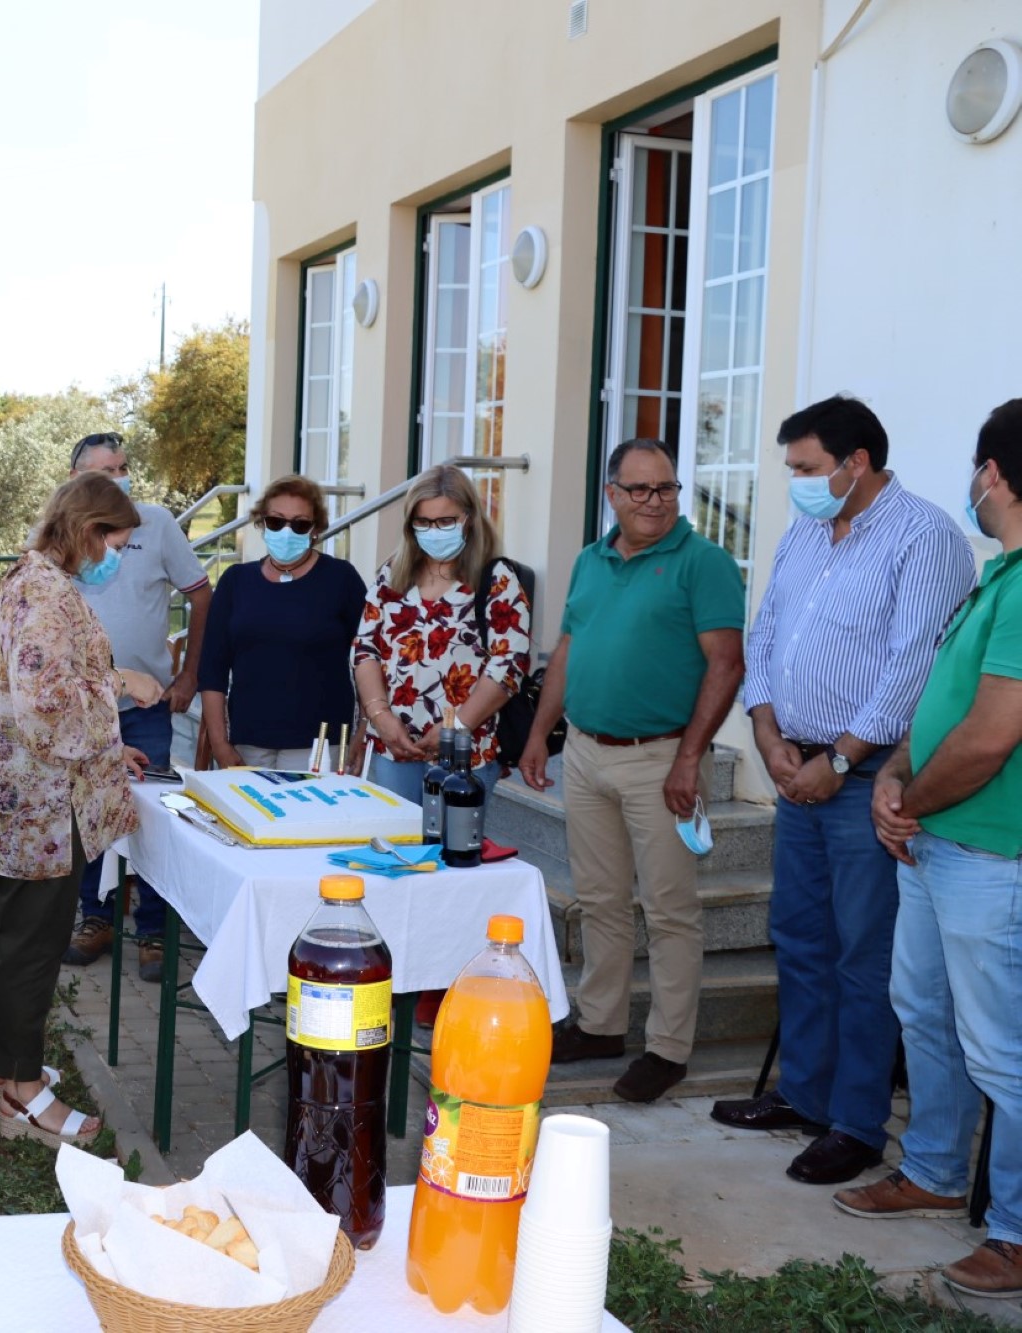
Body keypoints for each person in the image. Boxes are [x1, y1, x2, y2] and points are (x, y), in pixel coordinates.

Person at [716, 397, 974, 1185]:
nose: (794, 481)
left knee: (865, 957)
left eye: (804, 467)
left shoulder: (923, 536)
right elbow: (764, 637)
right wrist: (766, 734)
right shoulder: (805, 531)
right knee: (800, 937)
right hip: (796, 769)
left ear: (854, 462)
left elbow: (914, 667)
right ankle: (805, 1092)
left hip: (864, 779)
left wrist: (841, 756)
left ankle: (858, 1122)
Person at [834, 399, 1022, 1299]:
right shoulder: (997, 576)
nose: (973, 485)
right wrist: (895, 775)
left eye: (977, 470)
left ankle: (1018, 1233)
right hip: (934, 841)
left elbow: (990, 737)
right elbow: (941, 708)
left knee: (1002, 1048)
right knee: (924, 1011)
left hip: (989, 853)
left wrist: (907, 797)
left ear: (993, 475)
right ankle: (938, 1169)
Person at [520, 439, 746, 1104]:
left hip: (662, 758)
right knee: (600, 899)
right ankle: (600, 1022)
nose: (657, 501)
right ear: (612, 494)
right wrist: (540, 732)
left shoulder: (702, 563)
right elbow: (567, 649)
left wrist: (688, 758)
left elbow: (726, 664)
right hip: (587, 751)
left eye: (668, 488)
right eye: (641, 489)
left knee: (671, 909)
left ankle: (668, 1047)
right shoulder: (591, 560)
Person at [0, 472, 165, 1144]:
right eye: (116, 540)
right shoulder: (48, 592)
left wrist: (109, 753)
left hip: (28, 795)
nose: (116, 554)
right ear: (88, 529)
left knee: (10, 934)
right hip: (42, 807)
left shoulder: (32, 578)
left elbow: (46, 695)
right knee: (31, 948)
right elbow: (50, 709)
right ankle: (22, 1098)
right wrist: (120, 685)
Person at [60, 432, 212, 982]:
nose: (120, 477)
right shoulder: (60, 534)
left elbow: (200, 591)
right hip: (81, 708)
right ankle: (95, 918)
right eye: (106, 469)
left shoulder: (156, 522)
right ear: (76, 479)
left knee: (151, 815)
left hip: (147, 706)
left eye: (124, 467)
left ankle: (153, 928)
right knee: (90, 814)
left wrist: (189, 672)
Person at [354, 462, 530, 798]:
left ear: (468, 518)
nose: (434, 530)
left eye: (445, 521)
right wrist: (380, 716)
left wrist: (456, 726)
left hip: (464, 750)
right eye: (423, 522)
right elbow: (365, 648)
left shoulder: (496, 579)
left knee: (453, 849)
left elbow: (508, 665)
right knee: (402, 847)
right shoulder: (392, 575)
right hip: (395, 747)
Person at [197, 474, 367, 769]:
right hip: (247, 742)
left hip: (319, 746)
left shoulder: (341, 579)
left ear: (315, 530)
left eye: (300, 524)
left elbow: (370, 657)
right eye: (276, 521)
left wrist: (364, 729)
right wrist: (220, 743)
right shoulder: (236, 581)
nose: (287, 531)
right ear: (262, 522)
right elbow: (212, 667)